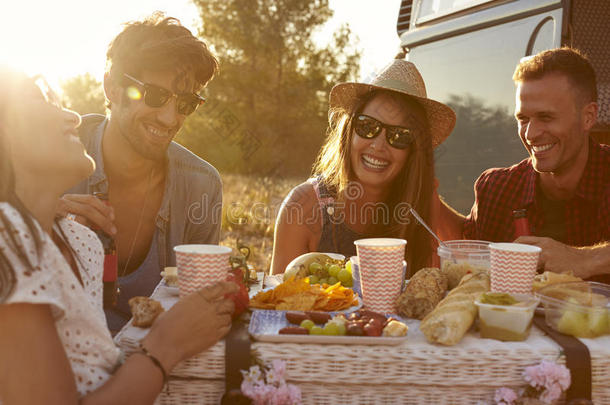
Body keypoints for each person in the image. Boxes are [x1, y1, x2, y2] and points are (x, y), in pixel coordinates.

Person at [0, 67, 237, 403]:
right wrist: (166, 344)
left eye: (185, 103)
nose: (72, 116)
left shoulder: (78, 241)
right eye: (42, 102)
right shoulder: (8, 239)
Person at [56, 13, 223, 333]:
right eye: (156, 95)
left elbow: (198, 306)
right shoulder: (49, 155)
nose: (170, 118)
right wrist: (35, 217)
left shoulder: (203, 186)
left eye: (186, 103)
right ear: (112, 86)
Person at [270, 59, 458, 276]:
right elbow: (279, 304)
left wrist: (429, 193)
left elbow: (468, 247)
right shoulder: (302, 207)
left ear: (412, 152)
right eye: (368, 126)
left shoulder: (421, 207)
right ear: (349, 131)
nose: (378, 145)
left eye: (399, 136)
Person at [454, 48, 610, 281]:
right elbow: (464, 259)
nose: (531, 133)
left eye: (546, 117)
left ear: (588, 117)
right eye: (523, 119)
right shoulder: (496, 189)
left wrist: (583, 259)